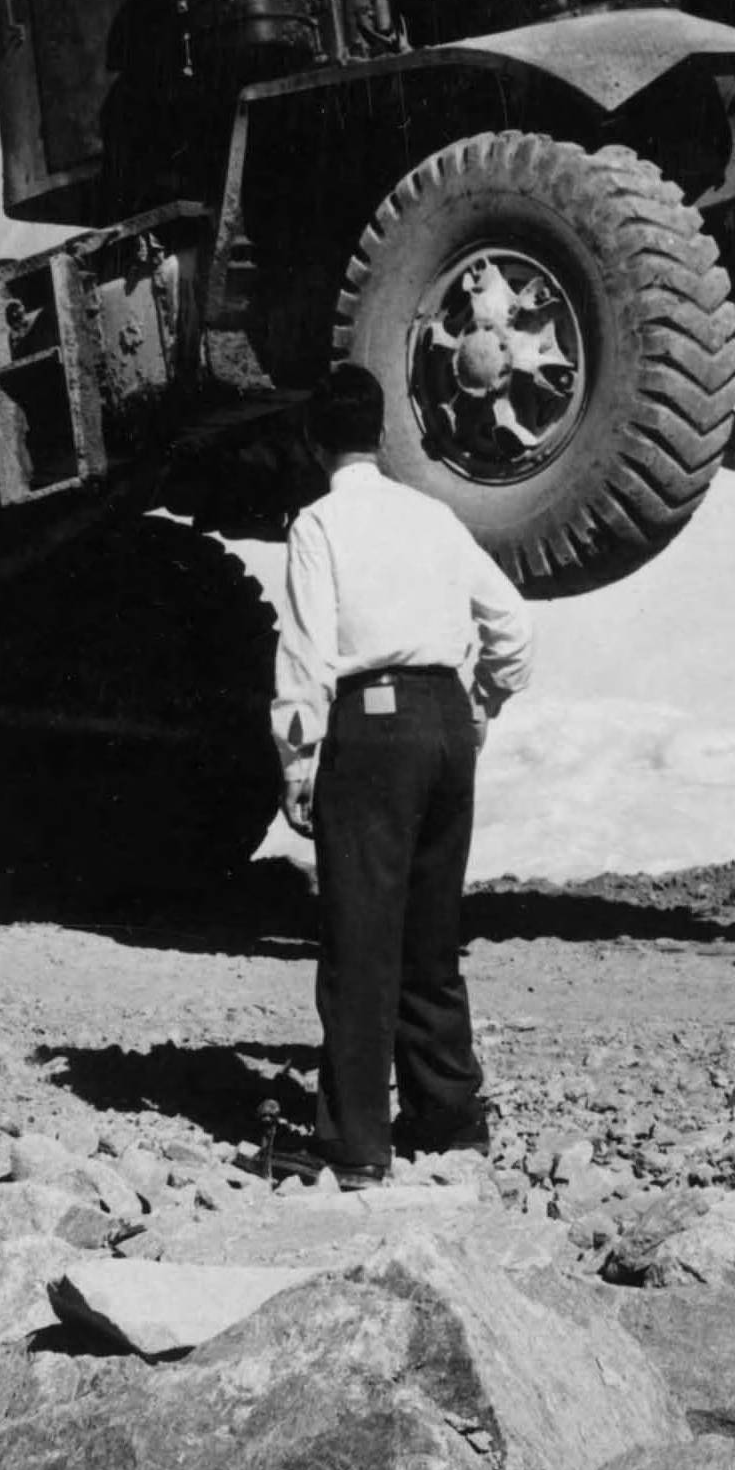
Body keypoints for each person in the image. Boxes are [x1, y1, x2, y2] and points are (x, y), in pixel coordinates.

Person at [269, 361, 533, 1184]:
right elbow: (513, 626)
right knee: (430, 930)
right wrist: (478, 706)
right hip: (446, 724)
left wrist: (297, 759)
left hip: (371, 724)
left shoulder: (318, 525)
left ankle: (352, 1143)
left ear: (316, 442)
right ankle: (449, 1119)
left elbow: (307, 651)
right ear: (382, 435)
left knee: (359, 935)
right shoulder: (435, 516)